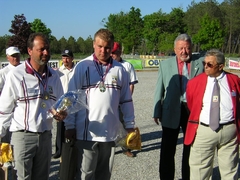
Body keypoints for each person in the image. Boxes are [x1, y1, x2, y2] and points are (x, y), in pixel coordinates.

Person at [64, 28, 135, 180]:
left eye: (107, 47)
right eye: (100, 46)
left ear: (112, 47)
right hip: (86, 132)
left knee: (104, 174)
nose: (103, 51)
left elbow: (126, 100)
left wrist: (130, 124)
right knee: (85, 174)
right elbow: (71, 97)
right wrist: (70, 125)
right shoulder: (82, 67)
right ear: (93, 45)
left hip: (110, 132)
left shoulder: (120, 69)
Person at [0, 32, 67, 180]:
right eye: (41, 49)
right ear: (30, 51)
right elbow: (4, 109)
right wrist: (1, 136)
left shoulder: (55, 76)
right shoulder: (17, 75)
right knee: (23, 178)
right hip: (23, 136)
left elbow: (60, 104)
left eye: (48, 49)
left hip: (45, 136)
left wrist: (61, 113)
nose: (46, 53)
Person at [152, 33, 204, 180]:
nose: (184, 52)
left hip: (193, 112)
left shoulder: (201, 62)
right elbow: (159, 88)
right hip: (170, 111)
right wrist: (156, 110)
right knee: (168, 150)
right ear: (175, 49)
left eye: (187, 48)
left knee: (190, 148)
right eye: (181, 48)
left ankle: (188, 177)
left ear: (191, 48)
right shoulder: (165, 64)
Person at [184, 49, 240, 180]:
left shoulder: (234, 80)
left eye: (210, 64)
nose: (205, 67)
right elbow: (192, 105)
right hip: (204, 131)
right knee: (199, 171)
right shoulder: (194, 83)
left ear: (221, 66)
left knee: (230, 171)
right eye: (204, 63)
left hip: (229, 131)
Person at [111, 42, 138, 157]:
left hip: (122, 102)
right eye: (111, 53)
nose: (112, 55)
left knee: (123, 125)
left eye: (115, 53)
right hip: (111, 102)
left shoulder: (127, 66)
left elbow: (131, 84)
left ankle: (125, 148)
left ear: (120, 52)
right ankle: (110, 147)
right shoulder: (108, 65)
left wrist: (126, 100)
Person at [52, 49, 75, 159]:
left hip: (74, 103)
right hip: (62, 103)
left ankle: (73, 148)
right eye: (63, 58)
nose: (65, 60)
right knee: (60, 128)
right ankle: (59, 150)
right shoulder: (58, 72)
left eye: (67, 57)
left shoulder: (76, 70)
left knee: (74, 126)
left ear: (72, 59)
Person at [0, 46, 21, 144]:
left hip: (20, 108)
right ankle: (6, 158)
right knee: (6, 135)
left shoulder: (24, 69)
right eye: (13, 56)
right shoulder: (3, 72)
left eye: (17, 55)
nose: (15, 58)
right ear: (7, 57)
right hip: (8, 108)